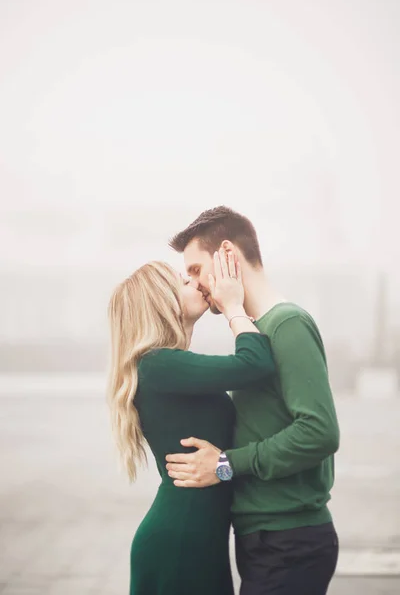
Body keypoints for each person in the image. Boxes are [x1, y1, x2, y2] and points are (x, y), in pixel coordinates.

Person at [166, 206, 340, 595]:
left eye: (195, 270)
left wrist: (225, 465)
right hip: (265, 538)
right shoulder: (257, 333)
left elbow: (320, 432)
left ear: (227, 254)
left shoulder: (287, 324)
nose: (195, 284)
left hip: (290, 540)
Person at [107, 251, 276, 595]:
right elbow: (255, 363)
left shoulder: (166, 367)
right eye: (183, 282)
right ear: (162, 303)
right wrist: (233, 307)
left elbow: (218, 466)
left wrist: (227, 466)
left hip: (198, 538)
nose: (196, 282)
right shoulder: (158, 365)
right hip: (181, 543)